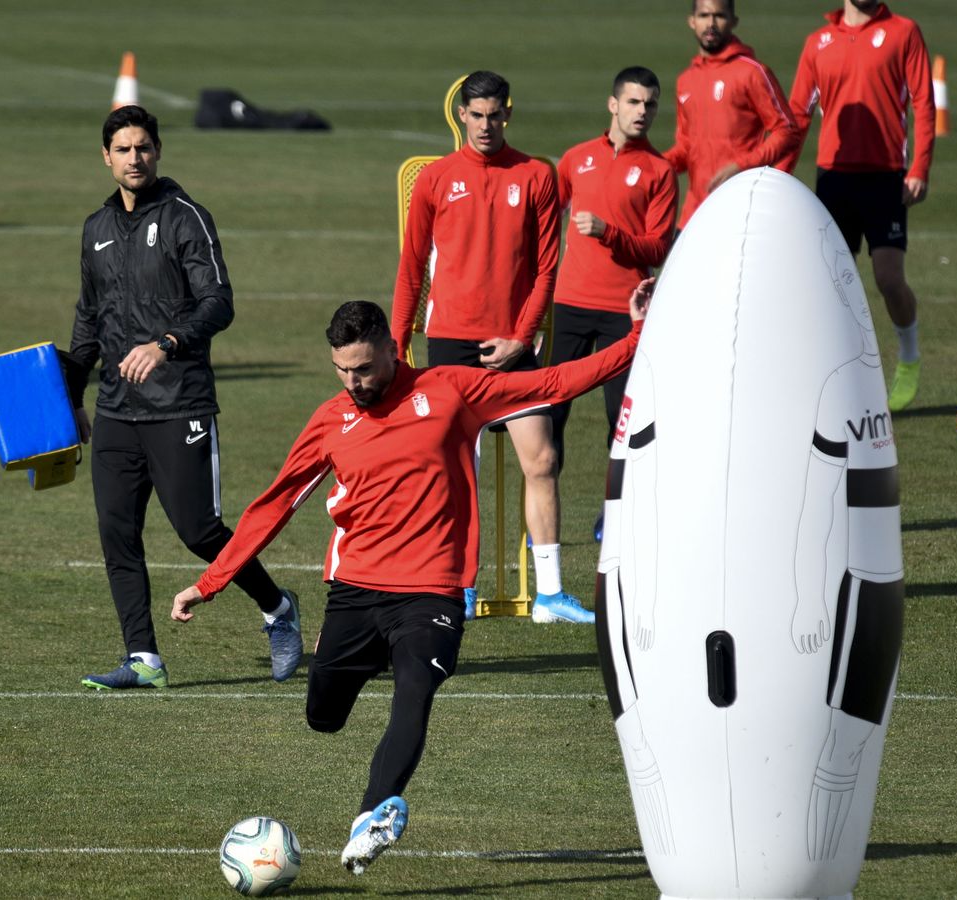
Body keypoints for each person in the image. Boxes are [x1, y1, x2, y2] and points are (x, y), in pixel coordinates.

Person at [172, 283, 654, 875]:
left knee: (415, 693)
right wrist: (213, 581)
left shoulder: (450, 391)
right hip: (354, 589)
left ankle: (371, 816)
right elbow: (275, 505)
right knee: (322, 716)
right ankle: (362, 662)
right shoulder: (331, 420)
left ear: (390, 349)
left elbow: (552, 384)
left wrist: (635, 337)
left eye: (364, 368)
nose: (353, 382)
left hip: (433, 589)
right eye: (342, 371)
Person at [66, 105, 301, 690]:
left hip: (180, 404)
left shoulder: (184, 217)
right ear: (106, 157)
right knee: (117, 532)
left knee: (199, 531)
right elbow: (87, 318)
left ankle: (278, 609)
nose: (134, 158)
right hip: (116, 411)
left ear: (158, 150)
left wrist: (166, 344)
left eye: (142, 147)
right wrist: (72, 399)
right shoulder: (95, 228)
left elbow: (218, 302)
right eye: (122, 149)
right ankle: (143, 657)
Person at [390, 70, 586, 624]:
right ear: (461, 115)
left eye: (494, 114)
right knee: (458, 469)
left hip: (514, 345)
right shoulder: (435, 179)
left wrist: (521, 339)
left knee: (542, 459)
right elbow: (411, 270)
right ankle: (459, 585)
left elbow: (549, 267)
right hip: (450, 342)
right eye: (475, 115)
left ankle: (549, 593)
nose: (484, 125)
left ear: (507, 113)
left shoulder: (536, 175)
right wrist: (400, 344)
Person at [788, 0, 935, 412]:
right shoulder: (817, 42)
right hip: (833, 176)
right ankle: (844, 380)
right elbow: (797, 117)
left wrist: (919, 166)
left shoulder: (904, 32)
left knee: (888, 279)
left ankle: (908, 358)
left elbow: (923, 103)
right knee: (834, 288)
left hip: (886, 175)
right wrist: (778, 174)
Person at [550, 67, 676, 542]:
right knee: (550, 413)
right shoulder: (576, 158)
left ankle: (615, 515)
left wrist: (610, 234)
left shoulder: (660, 171)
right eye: (635, 102)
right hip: (568, 305)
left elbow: (659, 248)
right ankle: (543, 520)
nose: (643, 112)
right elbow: (546, 222)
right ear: (613, 105)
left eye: (651, 105)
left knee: (620, 422)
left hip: (626, 313)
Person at [666, 0, 801, 229]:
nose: (711, 23)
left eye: (719, 16)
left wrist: (742, 166)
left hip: (741, 207)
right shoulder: (685, 80)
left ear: (733, 21)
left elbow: (786, 131)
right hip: (695, 213)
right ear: (692, 21)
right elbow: (686, 147)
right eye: (704, 16)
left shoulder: (752, 72)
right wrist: (650, 166)